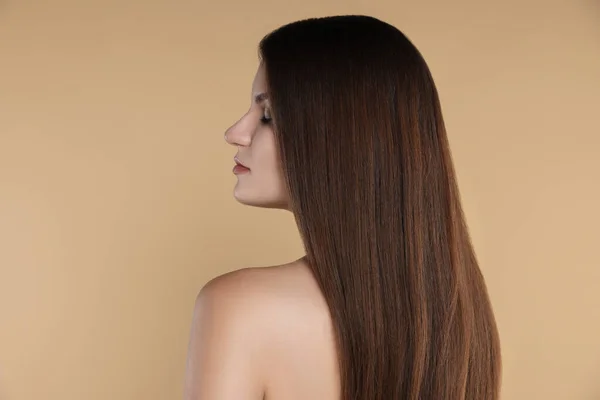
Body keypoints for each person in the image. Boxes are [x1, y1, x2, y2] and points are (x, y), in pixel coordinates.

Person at [183, 15, 501, 400]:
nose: (236, 133)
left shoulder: (237, 306)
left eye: (267, 115)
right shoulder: (464, 322)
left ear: (340, 139)